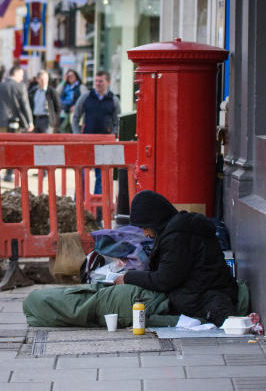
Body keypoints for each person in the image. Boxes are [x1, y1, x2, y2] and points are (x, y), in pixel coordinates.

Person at [112, 190, 238, 325]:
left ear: (155, 221)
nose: (145, 234)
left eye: (145, 228)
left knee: (147, 316)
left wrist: (129, 277)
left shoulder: (177, 237)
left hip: (205, 299)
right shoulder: (179, 229)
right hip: (209, 292)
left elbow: (164, 280)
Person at [71, 70, 120, 194]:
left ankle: (99, 205)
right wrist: (77, 135)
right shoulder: (86, 97)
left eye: (101, 81)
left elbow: (117, 121)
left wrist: (112, 136)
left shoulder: (113, 100)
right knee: (82, 172)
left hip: (104, 143)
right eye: (96, 81)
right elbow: (75, 117)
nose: (97, 84)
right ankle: (80, 201)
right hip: (86, 142)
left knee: (101, 175)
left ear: (107, 82)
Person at [0, 65, 33, 134]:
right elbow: (25, 105)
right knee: (14, 144)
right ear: (16, 74)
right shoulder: (21, 87)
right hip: (16, 121)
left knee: (1, 143)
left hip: (1, 121)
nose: (22, 78)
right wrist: (30, 122)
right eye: (21, 76)